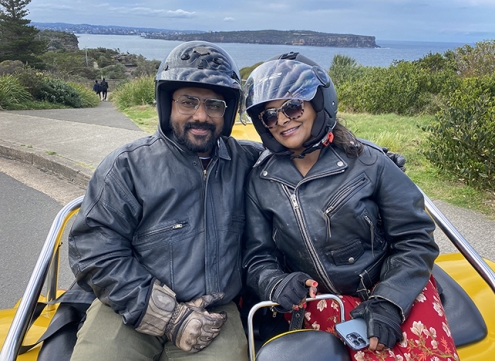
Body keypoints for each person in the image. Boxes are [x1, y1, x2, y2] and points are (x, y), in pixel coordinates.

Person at [241, 52, 459, 360]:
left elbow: (415, 239)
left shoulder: (369, 162)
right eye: (270, 115)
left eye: (292, 106)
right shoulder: (260, 181)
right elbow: (257, 257)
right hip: (320, 301)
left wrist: (389, 301)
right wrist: (274, 283)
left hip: (393, 287)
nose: (283, 120)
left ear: (318, 102)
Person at [68, 41, 262, 361]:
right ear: (166, 104)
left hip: (214, 310)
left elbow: (299, 162)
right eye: (188, 102)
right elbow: (94, 248)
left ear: (227, 112)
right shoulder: (127, 166)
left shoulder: (249, 163)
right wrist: (167, 316)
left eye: (214, 105)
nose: (201, 115)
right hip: (128, 302)